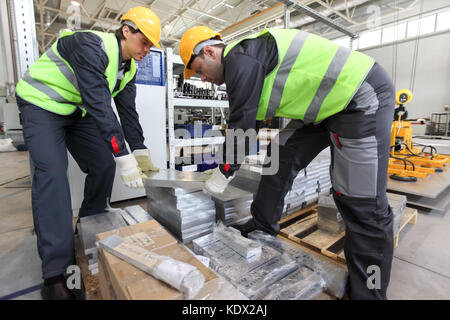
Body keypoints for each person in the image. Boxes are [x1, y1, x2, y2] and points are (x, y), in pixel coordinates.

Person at [179, 26, 395, 300]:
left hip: (358, 97)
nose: (203, 78)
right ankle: (263, 224)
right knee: (278, 156)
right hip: (323, 108)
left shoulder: (241, 58)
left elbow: (241, 124)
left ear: (208, 51)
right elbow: (250, 123)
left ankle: (370, 293)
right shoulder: (247, 64)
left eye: (198, 70)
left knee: (362, 203)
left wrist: (224, 171)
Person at [15, 6, 161, 299]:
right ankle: (56, 272)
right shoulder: (88, 45)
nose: (147, 50)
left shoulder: (128, 68)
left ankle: (86, 231)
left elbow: (127, 114)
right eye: (144, 41)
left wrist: (141, 152)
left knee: (103, 165)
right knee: (53, 176)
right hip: (41, 104)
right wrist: (124, 155)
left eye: (151, 45)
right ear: (126, 30)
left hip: (74, 111)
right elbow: (99, 103)